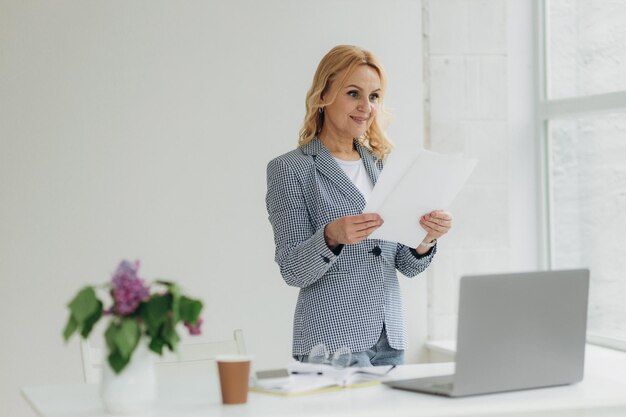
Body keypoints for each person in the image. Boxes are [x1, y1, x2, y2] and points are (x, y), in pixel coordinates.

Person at [265, 45, 453, 367]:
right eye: (354, 93)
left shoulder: (383, 166)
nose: (366, 107)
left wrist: (426, 238)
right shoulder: (290, 169)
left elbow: (406, 266)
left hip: (389, 339)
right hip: (330, 341)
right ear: (324, 95)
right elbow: (292, 269)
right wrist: (331, 236)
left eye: (375, 97)